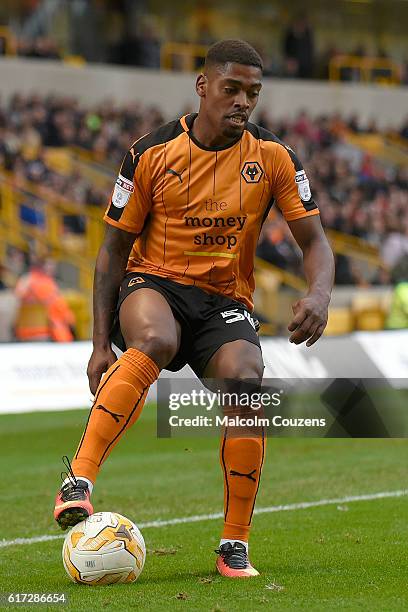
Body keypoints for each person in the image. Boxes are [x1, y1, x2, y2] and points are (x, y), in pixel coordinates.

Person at [54, 39, 334, 578]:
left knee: (248, 384)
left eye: (252, 92)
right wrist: (97, 344)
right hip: (153, 283)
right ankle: (80, 479)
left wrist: (319, 294)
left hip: (225, 299)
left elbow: (315, 241)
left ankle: (234, 544)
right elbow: (111, 252)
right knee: (156, 341)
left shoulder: (273, 157)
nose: (242, 102)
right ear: (203, 86)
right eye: (231, 89)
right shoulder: (150, 153)